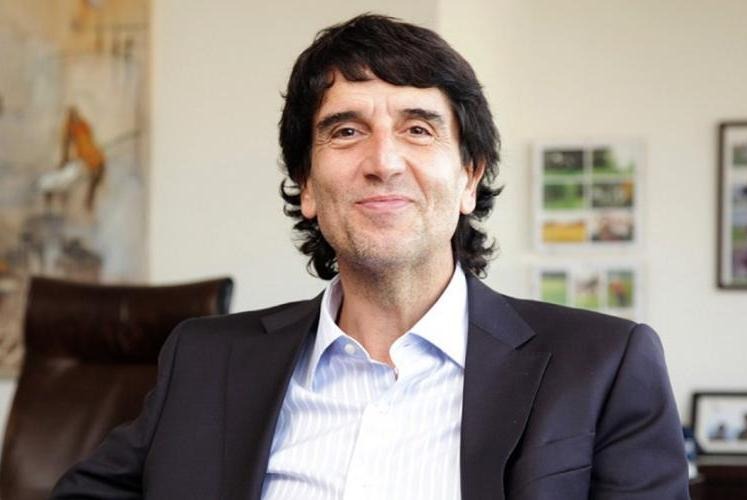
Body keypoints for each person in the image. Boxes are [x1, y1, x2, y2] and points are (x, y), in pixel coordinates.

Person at [51, 14, 689, 500]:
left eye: (419, 129)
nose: (383, 161)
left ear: (469, 178)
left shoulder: (603, 365)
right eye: (347, 131)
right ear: (306, 185)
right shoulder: (205, 360)